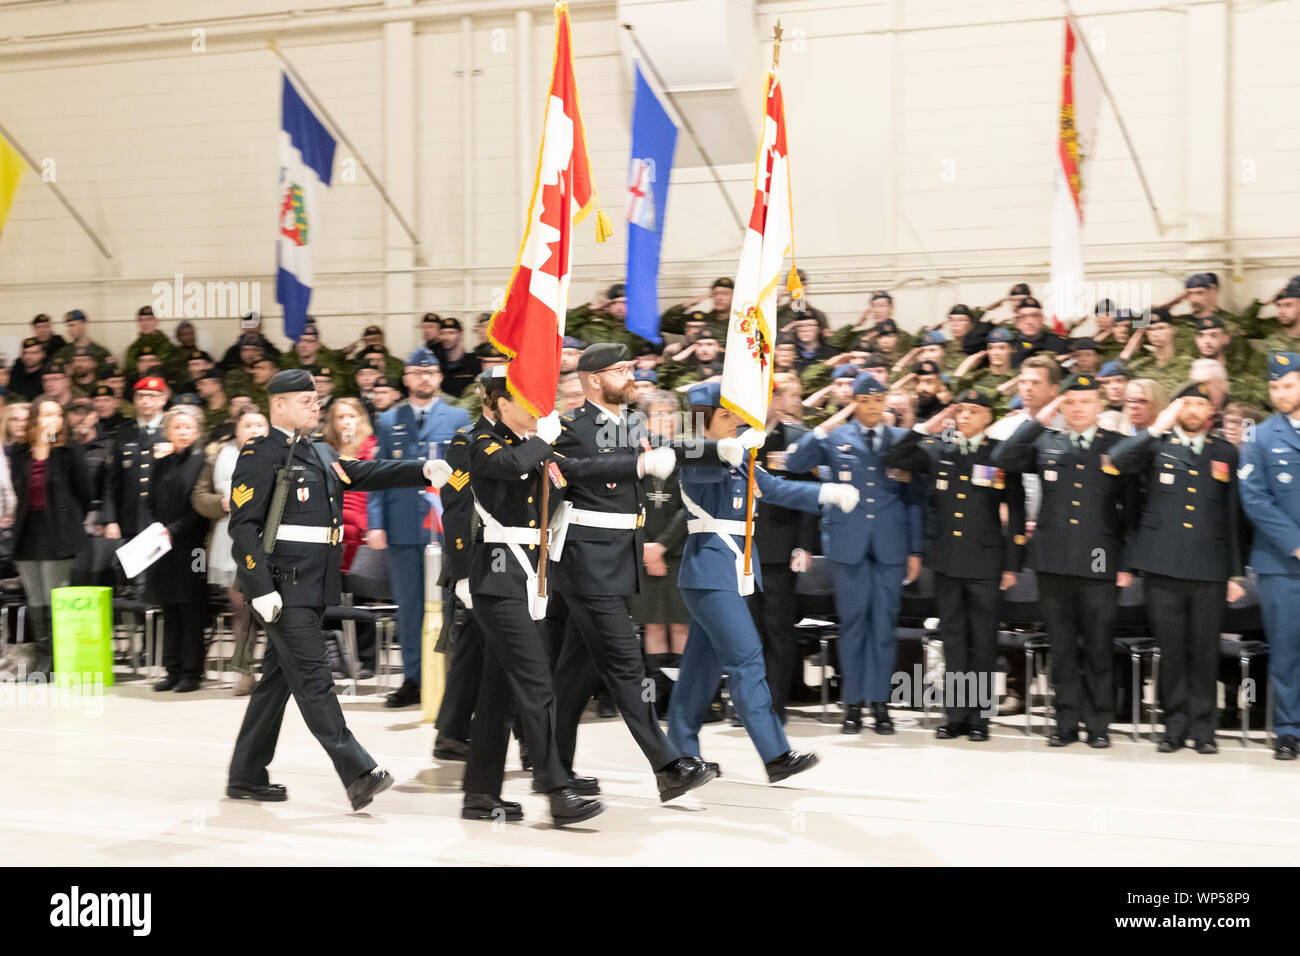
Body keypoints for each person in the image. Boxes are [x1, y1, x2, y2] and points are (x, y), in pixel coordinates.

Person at [226, 369, 446, 812]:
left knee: (276, 684)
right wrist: (260, 586)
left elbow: (364, 472)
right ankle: (358, 772)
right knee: (314, 680)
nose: (315, 406)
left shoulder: (318, 450)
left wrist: (419, 469)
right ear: (279, 406)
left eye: (315, 399)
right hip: (282, 590)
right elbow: (243, 527)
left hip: (312, 585)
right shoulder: (260, 452)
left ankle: (246, 774)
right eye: (304, 400)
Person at [547, 343, 716, 802]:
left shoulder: (633, 423)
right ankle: (667, 765)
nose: (632, 376)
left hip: (617, 557)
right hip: (585, 558)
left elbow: (678, 448)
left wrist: (726, 448)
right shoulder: (569, 426)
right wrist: (635, 464)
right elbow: (567, 470)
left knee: (573, 675)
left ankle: (552, 768)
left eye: (632, 368)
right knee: (625, 663)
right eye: (622, 370)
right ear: (595, 379)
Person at [666, 381, 855, 780]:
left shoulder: (737, 455)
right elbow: (700, 468)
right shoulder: (698, 454)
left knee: (700, 667)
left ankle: (681, 752)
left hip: (730, 573)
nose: (734, 419)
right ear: (704, 418)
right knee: (748, 659)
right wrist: (725, 450)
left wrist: (828, 493)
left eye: (735, 412)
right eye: (725, 413)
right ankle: (775, 754)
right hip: (710, 572)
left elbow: (776, 488)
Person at [458, 371, 603, 825]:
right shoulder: (475, 441)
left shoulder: (535, 446)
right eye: (526, 398)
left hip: (531, 575)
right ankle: (557, 788)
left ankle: (480, 794)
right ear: (500, 404)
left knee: (499, 690)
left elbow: (561, 485)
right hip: (498, 577)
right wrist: (544, 442)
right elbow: (505, 469)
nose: (538, 405)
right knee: (538, 681)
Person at [992, 374, 1139, 747]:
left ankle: (1099, 725)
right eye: (1070, 402)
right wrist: (1040, 418)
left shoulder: (1116, 445)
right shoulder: (1047, 441)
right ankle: (1066, 723)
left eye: (1085, 402)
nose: (1077, 409)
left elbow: (1133, 510)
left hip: (1098, 556)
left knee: (1097, 645)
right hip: (1053, 558)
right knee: (1061, 647)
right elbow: (1003, 456)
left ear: (1099, 406)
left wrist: (1126, 563)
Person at [1110, 382, 1246, 754]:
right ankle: (1174, 725)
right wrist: (1155, 428)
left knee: (1204, 650)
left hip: (1210, 567)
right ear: (1175, 408)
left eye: (1200, 404)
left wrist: (1235, 572)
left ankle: (1204, 728)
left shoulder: (1224, 452)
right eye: (1187, 403)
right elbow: (1116, 462)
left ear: (1210, 414)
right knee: (1170, 650)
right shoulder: (1156, 444)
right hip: (1163, 565)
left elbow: (1232, 514)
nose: (1193, 410)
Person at [787, 373, 925, 735]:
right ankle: (852, 704)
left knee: (883, 626)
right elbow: (796, 462)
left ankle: (879, 704)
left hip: (890, 545)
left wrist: (915, 549)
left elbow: (913, 500)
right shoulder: (838, 437)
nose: (872, 407)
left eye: (878, 400)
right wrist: (823, 427)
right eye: (864, 400)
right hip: (849, 546)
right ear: (855, 403)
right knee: (853, 625)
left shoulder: (900, 440)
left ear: (886, 404)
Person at [885, 388, 1025, 740]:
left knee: (983, 643)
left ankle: (979, 720)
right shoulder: (938, 450)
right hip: (947, 562)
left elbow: (1017, 509)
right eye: (961, 411)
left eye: (973, 412)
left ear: (987, 418)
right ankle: (956, 715)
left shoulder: (999, 454)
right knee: (954, 643)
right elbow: (895, 456)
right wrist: (924, 428)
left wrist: (1012, 565)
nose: (964, 417)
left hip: (985, 563)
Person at [367, 349, 471, 708]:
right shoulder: (388, 420)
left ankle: (451, 681)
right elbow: (377, 474)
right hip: (403, 527)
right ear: (406, 379)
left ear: (440, 377)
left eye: (431, 372)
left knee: (450, 606)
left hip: (445, 527)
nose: (425, 378)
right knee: (409, 607)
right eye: (417, 373)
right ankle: (414, 678)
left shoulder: (459, 416)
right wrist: (376, 523)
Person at [1238, 352, 1300, 760]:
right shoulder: (1256, 436)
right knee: (1286, 649)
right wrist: (1295, 543)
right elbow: (1254, 499)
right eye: (1274, 386)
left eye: (1288, 385)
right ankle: (1288, 730)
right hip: (1281, 564)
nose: (1280, 393)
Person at [748, 372, 819, 719]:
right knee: (746, 632)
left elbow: (807, 498)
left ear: (775, 401)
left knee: (777, 629)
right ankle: (747, 702)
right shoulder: (735, 439)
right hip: (741, 549)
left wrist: (804, 546)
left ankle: (774, 703)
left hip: (779, 550)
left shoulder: (794, 441)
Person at [9, 400, 92, 676]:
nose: (53, 419)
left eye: (57, 414)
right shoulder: (20, 453)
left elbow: (85, 493)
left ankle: (59, 656)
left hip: (57, 532)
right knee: (35, 598)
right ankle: (42, 656)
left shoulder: (68, 452)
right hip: (27, 532)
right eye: (47, 414)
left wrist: (68, 521)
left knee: (55, 597)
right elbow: (18, 493)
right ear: (34, 419)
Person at [193, 407, 270, 696]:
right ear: (236, 429)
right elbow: (199, 497)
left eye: (259, 424)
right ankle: (245, 672)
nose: (253, 429)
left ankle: (276, 672)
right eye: (247, 424)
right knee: (242, 610)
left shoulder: (279, 454)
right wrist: (220, 504)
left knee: (269, 612)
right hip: (229, 542)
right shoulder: (218, 457)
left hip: (267, 542)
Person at [631, 390, 690, 716]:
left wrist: (663, 546)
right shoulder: (635, 453)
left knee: (680, 626)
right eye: (659, 414)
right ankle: (655, 697)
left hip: (679, 551)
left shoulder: (688, 453)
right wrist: (646, 548)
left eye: (672, 413)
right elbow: (628, 504)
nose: (667, 419)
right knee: (653, 626)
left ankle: (681, 701)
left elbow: (689, 507)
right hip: (643, 550)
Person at [147, 406, 210, 693]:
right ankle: (171, 669)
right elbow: (150, 502)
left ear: (197, 431)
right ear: (168, 431)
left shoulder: (202, 462)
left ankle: (192, 671)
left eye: (188, 427)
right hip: (163, 546)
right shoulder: (161, 463)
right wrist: (157, 530)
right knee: (169, 607)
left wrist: (173, 530)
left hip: (194, 547)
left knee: (192, 607)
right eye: (177, 427)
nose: (183, 432)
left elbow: (199, 510)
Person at [101, 377, 169, 553]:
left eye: (151, 396)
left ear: (163, 399)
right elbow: (111, 481)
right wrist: (110, 519)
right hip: (129, 517)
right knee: (129, 575)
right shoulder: (123, 433)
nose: (145, 401)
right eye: (140, 396)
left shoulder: (171, 430)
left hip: (163, 517)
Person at [323, 399, 376, 573]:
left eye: (352, 416)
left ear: (361, 419)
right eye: (341, 417)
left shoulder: (372, 450)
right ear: (332, 422)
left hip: (363, 535)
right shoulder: (323, 451)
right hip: (331, 534)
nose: (346, 421)